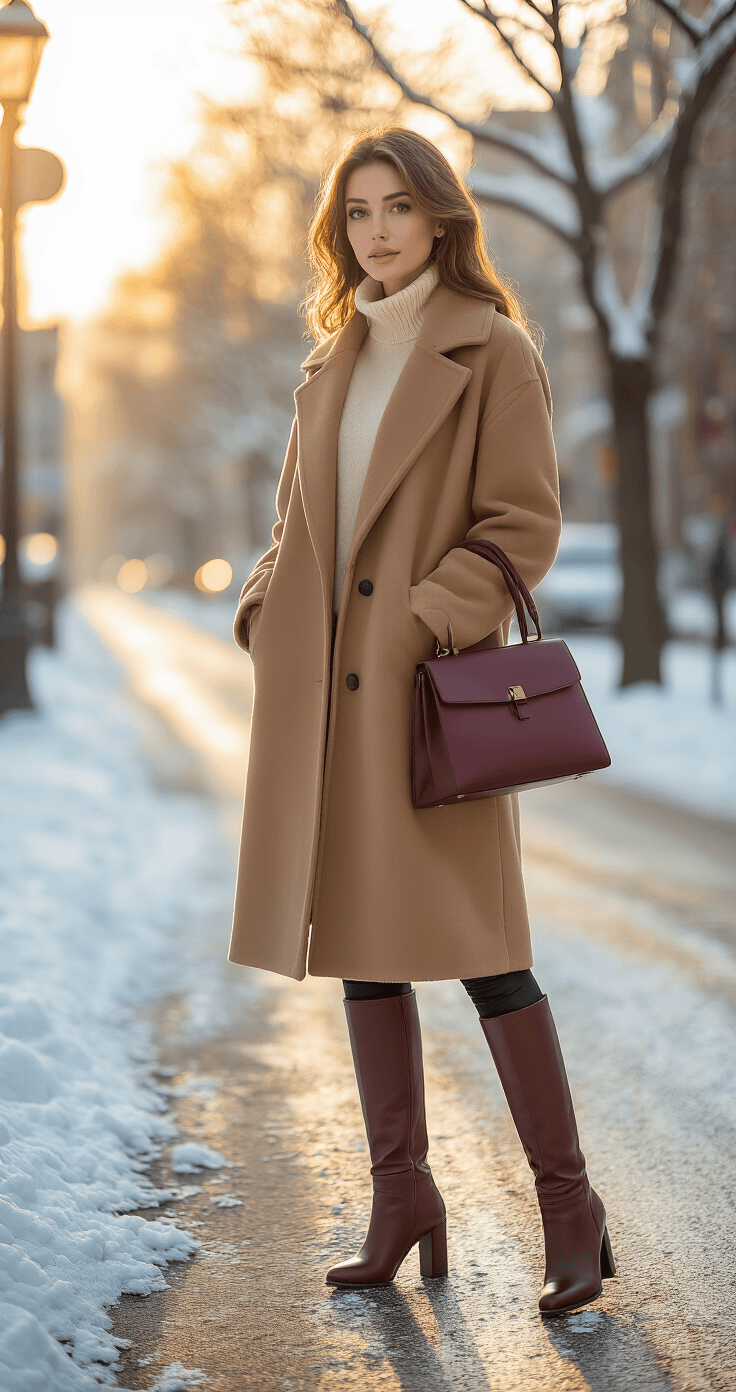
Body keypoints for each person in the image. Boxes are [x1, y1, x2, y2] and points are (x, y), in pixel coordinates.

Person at [229, 125, 615, 1316]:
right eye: (357, 212)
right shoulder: (327, 362)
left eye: (397, 206)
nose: (377, 230)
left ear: (440, 217)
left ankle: (570, 1212)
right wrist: (259, 609)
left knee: (490, 960)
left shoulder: (489, 349)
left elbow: (519, 523)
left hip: (425, 704)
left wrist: (420, 622)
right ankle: (402, 1199)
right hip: (325, 706)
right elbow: (304, 528)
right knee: (363, 956)